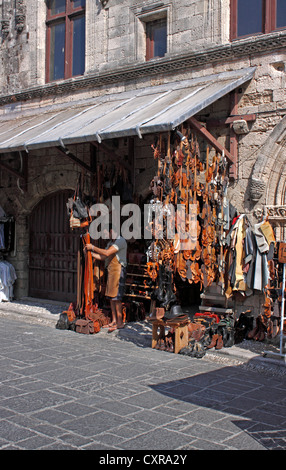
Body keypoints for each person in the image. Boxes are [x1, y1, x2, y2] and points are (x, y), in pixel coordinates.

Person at [84, 226, 127, 332]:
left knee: (117, 298)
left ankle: (120, 322)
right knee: (111, 298)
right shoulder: (110, 243)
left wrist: (92, 247)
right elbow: (103, 257)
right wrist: (91, 254)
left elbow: (107, 253)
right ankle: (114, 321)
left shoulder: (120, 241)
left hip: (119, 271)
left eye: (108, 232)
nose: (107, 234)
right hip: (112, 271)